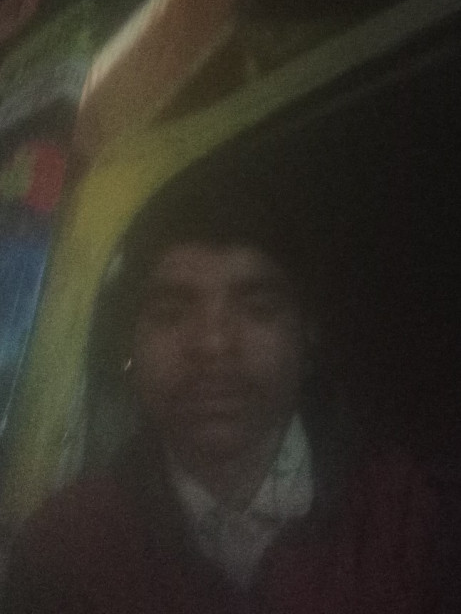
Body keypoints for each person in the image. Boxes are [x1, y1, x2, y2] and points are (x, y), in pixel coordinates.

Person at [3, 180, 438, 614]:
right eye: (171, 313)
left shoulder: (411, 516)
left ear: (308, 332)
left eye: (258, 309)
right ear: (130, 341)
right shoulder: (66, 549)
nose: (213, 344)